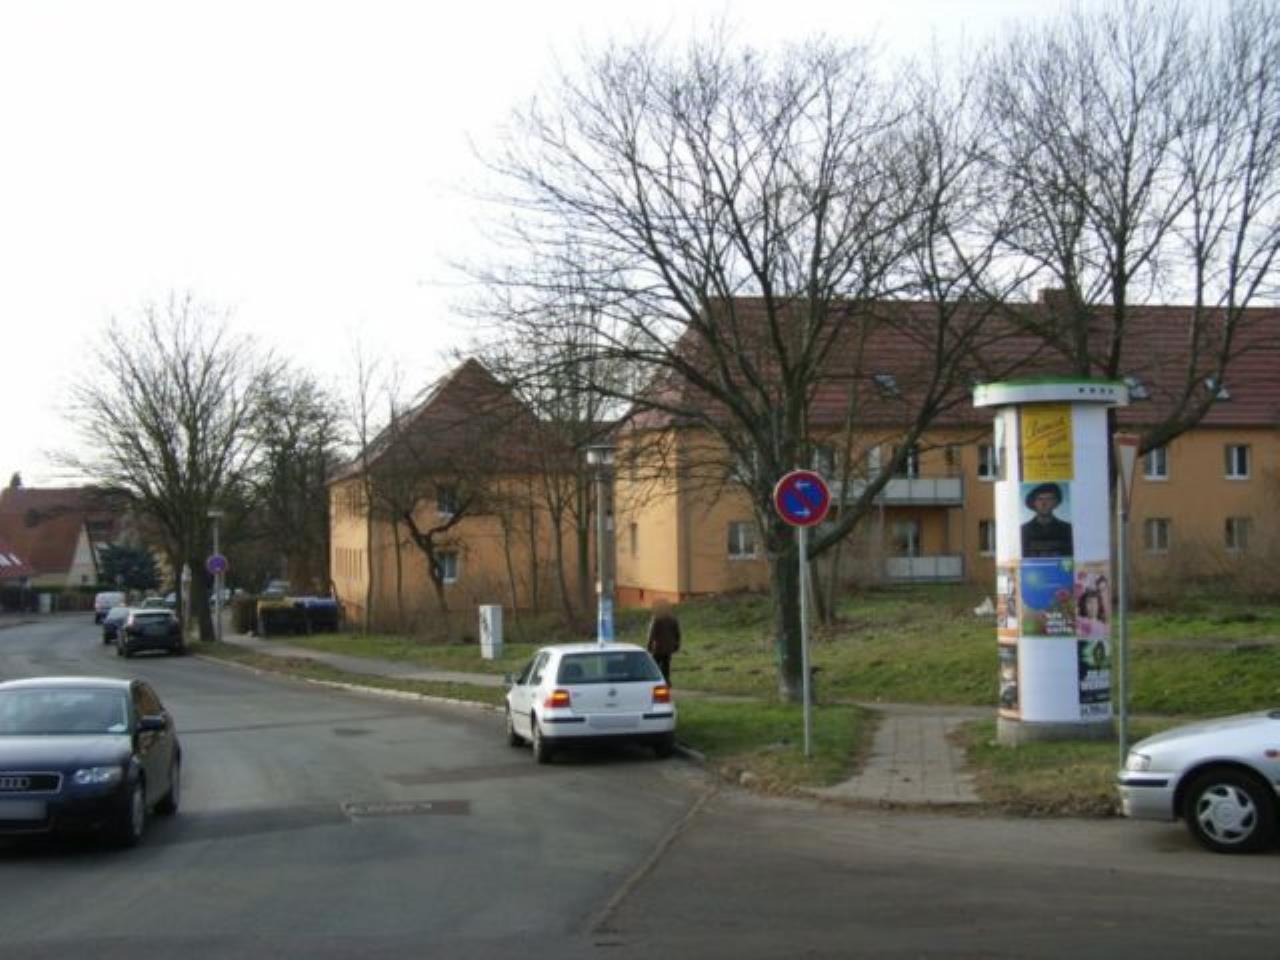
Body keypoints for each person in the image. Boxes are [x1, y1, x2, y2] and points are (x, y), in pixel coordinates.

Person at [1021, 482, 1074, 557]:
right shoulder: (1024, 530)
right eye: (1040, 499)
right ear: (1034, 503)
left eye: (1049, 499)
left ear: (1055, 503)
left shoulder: (1067, 529)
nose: (1044, 503)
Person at [646, 602, 681, 683]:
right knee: (666, 665)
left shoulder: (657, 619)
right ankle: (666, 681)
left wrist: (649, 645)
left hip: (658, 647)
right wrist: (677, 644)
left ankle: (655, 680)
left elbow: (652, 633)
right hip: (669, 647)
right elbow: (677, 633)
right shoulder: (673, 619)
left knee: (654, 665)